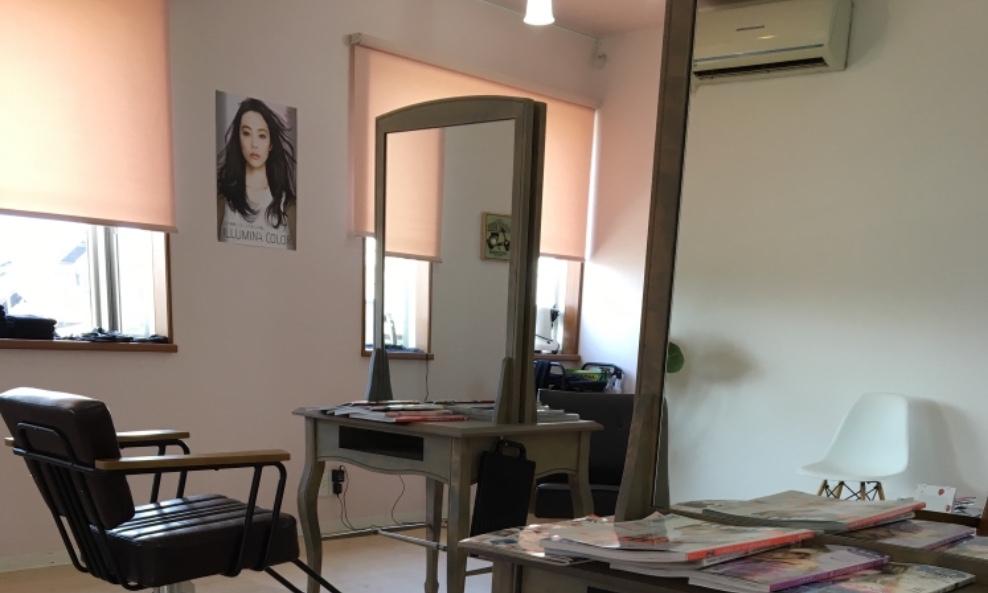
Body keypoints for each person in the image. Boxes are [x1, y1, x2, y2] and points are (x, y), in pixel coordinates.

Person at [217, 97, 297, 250]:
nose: (254, 144)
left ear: (270, 143)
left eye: (261, 136)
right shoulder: (222, 199)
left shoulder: (287, 205)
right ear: (238, 138)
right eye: (247, 133)